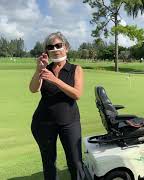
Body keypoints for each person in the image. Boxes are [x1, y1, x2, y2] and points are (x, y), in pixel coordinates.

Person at [29, 32, 85, 180]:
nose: (54, 49)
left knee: (75, 162)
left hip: (69, 123)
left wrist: (55, 80)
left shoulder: (75, 69)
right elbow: (33, 89)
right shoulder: (45, 70)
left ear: (66, 48)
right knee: (49, 164)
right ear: (46, 51)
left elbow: (77, 94)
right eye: (50, 47)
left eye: (58, 45)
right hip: (44, 123)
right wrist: (38, 69)